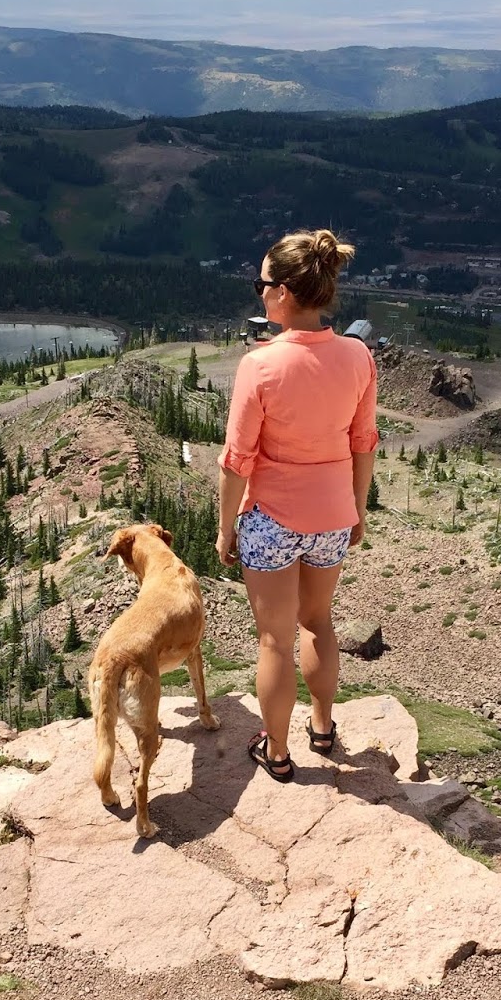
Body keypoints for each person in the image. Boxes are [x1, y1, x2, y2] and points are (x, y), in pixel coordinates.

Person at [216, 229, 378, 782]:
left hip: (271, 519)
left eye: (261, 284)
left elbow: (237, 460)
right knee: (319, 622)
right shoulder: (357, 356)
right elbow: (363, 442)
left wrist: (224, 530)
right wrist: (356, 510)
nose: (258, 293)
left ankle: (278, 753)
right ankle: (325, 727)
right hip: (334, 513)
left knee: (273, 639)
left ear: (284, 292)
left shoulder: (259, 366)